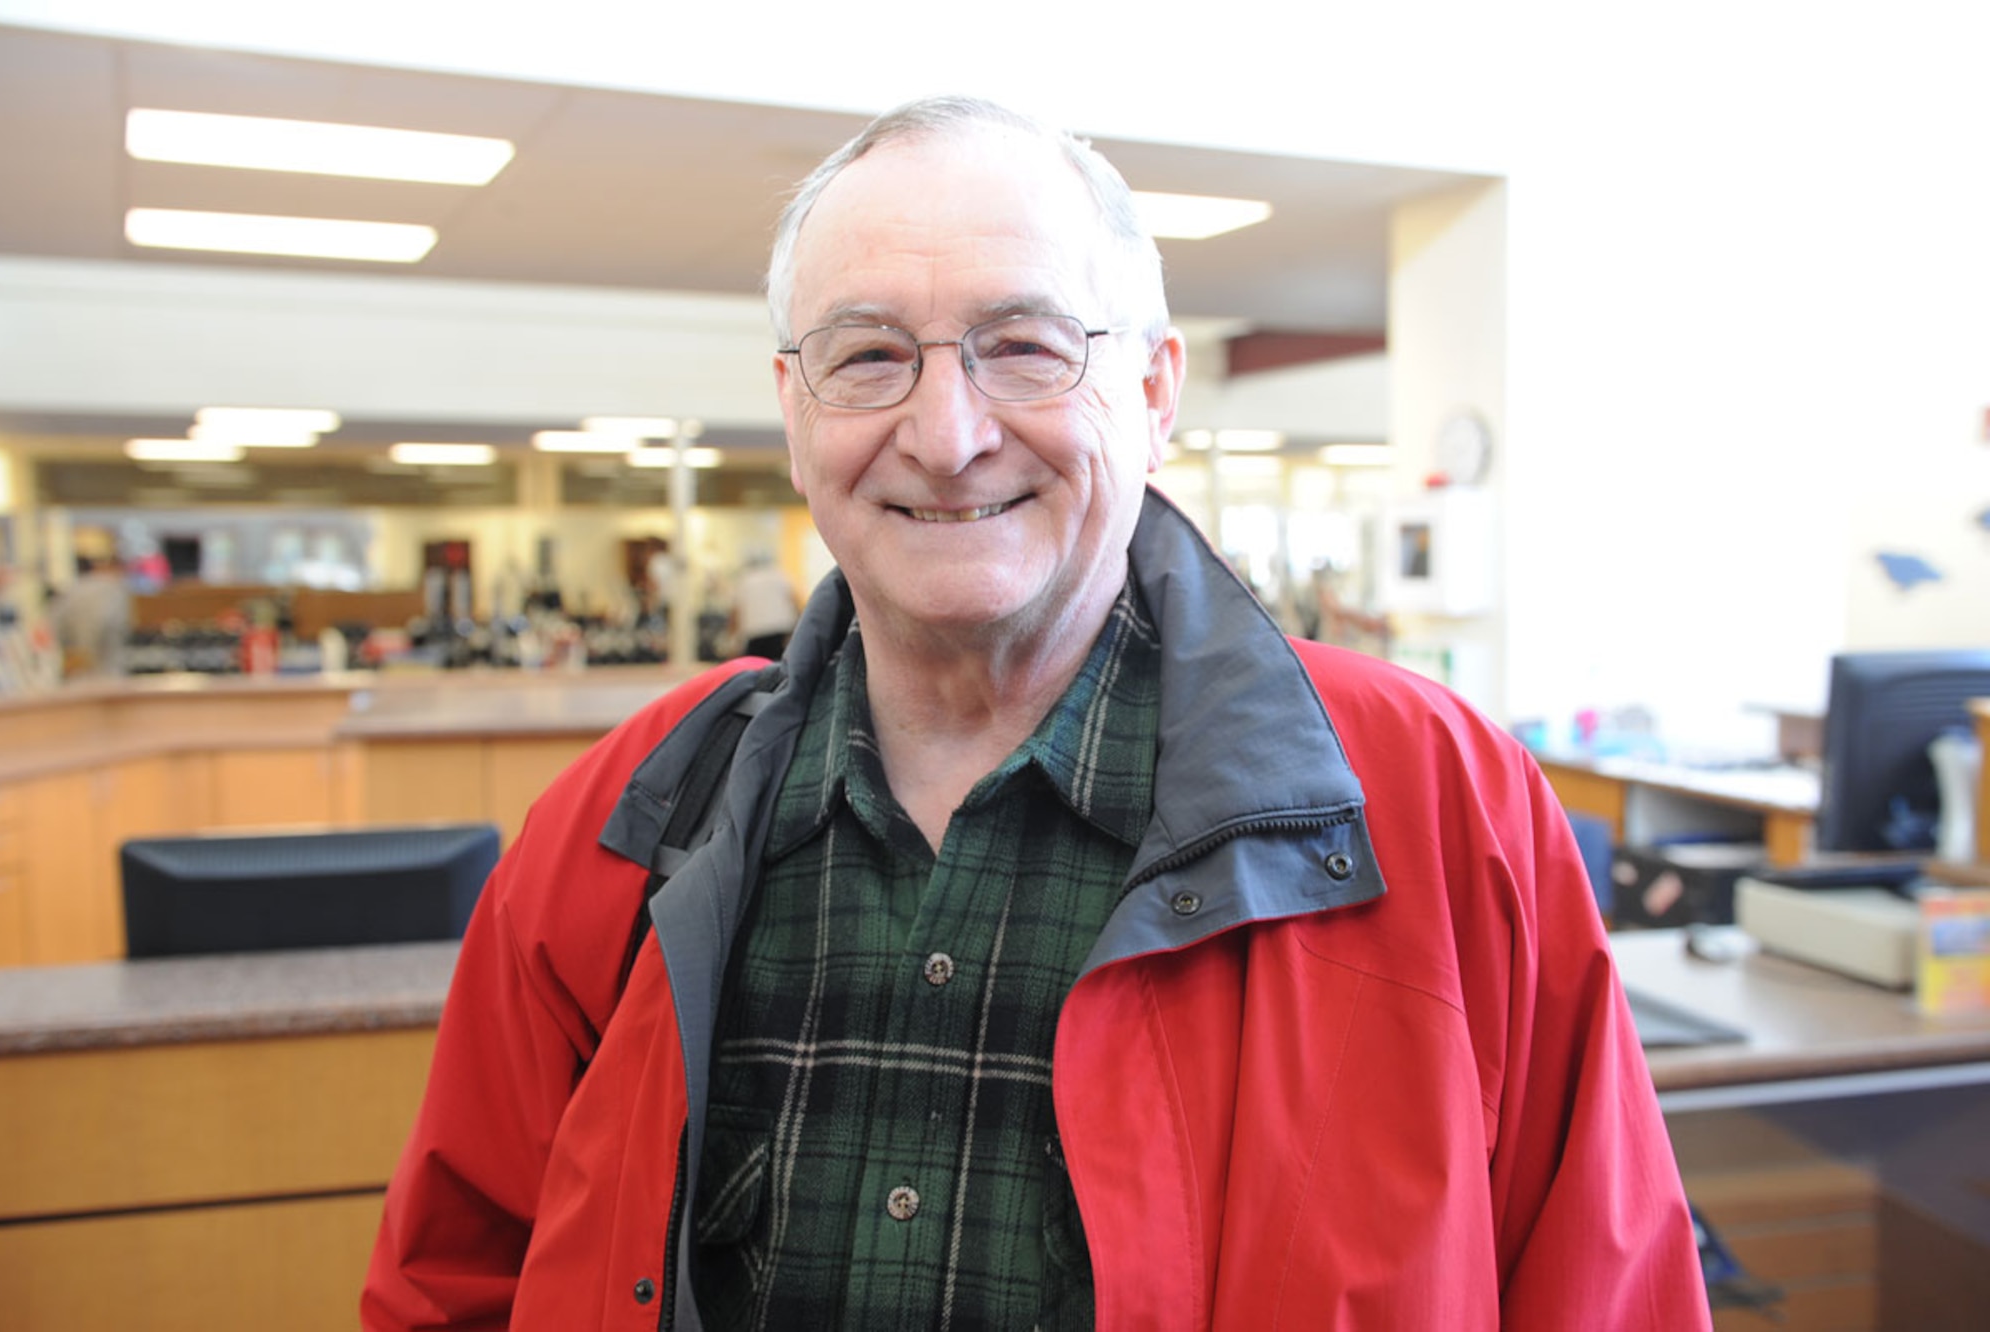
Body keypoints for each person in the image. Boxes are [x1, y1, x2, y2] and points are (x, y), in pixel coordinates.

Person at [364, 97, 1709, 1330]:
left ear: (1156, 391)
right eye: (869, 355)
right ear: (792, 409)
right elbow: (457, 1286)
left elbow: (1609, 1292)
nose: (946, 436)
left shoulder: (1437, 806)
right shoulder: (620, 828)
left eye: (1026, 348)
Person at [727, 548, 801, 659]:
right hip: (780, 632)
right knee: (781, 669)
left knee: (757, 670)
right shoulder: (780, 576)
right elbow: (795, 602)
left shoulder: (744, 581)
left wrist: (732, 640)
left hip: (755, 635)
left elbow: (735, 613)